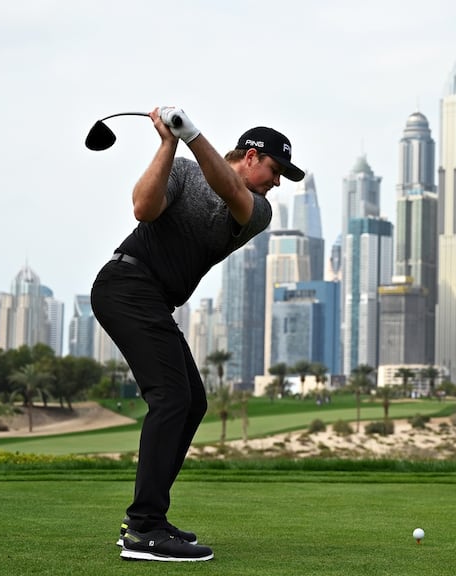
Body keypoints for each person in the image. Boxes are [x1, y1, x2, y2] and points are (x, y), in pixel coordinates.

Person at [91, 106, 304, 562]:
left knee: (194, 402)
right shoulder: (183, 172)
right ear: (251, 157)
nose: (278, 181)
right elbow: (142, 208)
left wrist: (191, 134)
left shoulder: (257, 210)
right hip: (124, 285)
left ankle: (149, 518)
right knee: (171, 398)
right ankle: (145, 530)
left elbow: (229, 191)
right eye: (276, 169)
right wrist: (169, 144)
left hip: (149, 298)